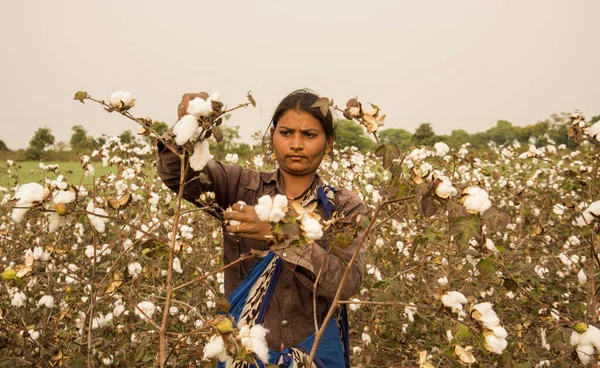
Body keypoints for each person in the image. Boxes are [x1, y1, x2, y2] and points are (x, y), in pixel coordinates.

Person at [157, 89, 366, 367]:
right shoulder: (239, 186)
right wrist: (190, 124)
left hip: (314, 357)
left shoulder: (344, 207)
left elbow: (347, 282)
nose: (296, 144)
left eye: (310, 135)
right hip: (244, 355)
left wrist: (278, 232)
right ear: (272, 136)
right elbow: (176, 173)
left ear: (328, 143)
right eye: (286, 132)